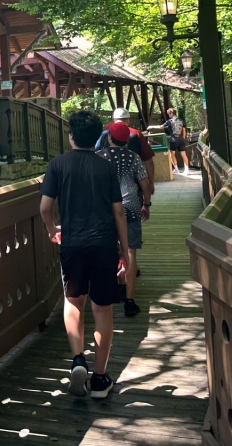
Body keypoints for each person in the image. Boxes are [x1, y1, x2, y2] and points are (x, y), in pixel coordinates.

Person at [40, 109, 128, 399]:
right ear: (96, 137)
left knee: (73, 302)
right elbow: (118, 211)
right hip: (104, 244)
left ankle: (78, 359)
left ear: (71, 136)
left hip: (73, 244)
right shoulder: (106, 167)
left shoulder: (57, 165)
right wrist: (124, 251)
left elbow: (44, 208)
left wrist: (53, 230)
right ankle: (100, 379)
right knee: (103, 309)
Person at [97, 121, 152, 317]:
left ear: (109, 138)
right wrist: (147, 204)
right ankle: (130, 300)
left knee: (111, 249)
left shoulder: (100, 157)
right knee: (130, 252)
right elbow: (145, 184)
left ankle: (116, 288)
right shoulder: (134, 157)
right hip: (130, 207)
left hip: (107, 209)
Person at [94, 107, 156, 191]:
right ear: (128, 120)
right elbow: (149, 161)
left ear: (113, 120)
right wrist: (150, 183)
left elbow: (95, 155)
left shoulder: (104, 134)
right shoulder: (136, 134)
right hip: (134, 188)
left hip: (108, 187)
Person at [163, 108, 190, 177]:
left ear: (171, 113)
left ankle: (176, 169)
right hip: (181, 139)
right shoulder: (181, 120)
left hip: (173, 140)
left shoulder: (170, 121)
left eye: (169, 114)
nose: (168, 116)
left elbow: (161, 127)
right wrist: (183, 138)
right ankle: (186, 170)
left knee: (172, 154)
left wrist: (152, 127)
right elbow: (184, 131)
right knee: (184, 154)